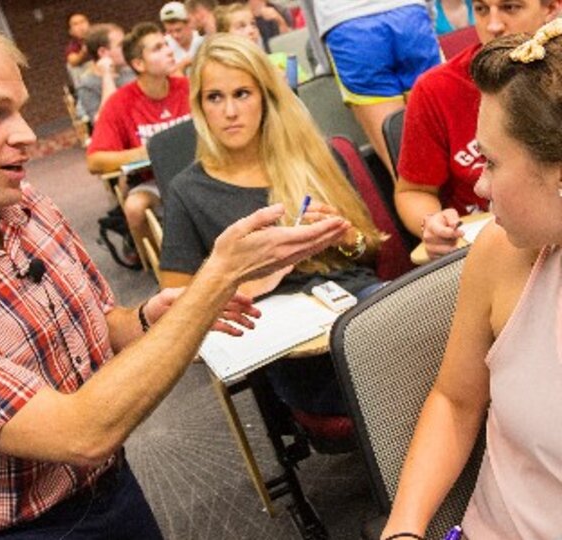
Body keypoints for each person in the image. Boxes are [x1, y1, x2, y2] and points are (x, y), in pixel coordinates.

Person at [0, 13, 356, 539]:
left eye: (19, 111)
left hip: (112, 488)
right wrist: (215, 281)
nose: (24, 135)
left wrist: (149, 318)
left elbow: (100, 327)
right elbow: (81, 433)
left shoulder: (25, 208)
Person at [382, 21, 562, 539]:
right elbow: (456, 400)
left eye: (492, 161)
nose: (478, 185)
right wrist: (404, 530)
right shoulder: (501, 254)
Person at [159, 33, 385, 420]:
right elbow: (175, 309)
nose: (230, 111)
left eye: (242, 94)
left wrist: (345, 236)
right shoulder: (187, 191)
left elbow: (372, 250)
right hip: (288, 341)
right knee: (396, 377)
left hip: (357, 302)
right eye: (215, 97)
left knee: (425, 344)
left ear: (265, 97)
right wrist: (247, 279)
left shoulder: (315, 155)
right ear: (200, 107)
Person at [395, 0, 560, 261]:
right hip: (477, 246)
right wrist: (432, 222)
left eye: (510, 8)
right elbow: (412, 191)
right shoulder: (436, 89)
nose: (493, 25)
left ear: (551, 8)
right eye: (481, 10)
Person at [87, 22, 191, 258]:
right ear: (138, 64)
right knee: (134, 208)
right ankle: (161, 270)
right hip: (154, 181)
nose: (168, 50)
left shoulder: (188, 88)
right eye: (157, 48)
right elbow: (95, 161)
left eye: (166, 44)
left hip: (197, 173)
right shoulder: (120, 103)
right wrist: (152, 151)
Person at [304, 0, 441, 176]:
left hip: (349, 26)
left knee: (406, 171)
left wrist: (324, 62)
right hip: (410, 15)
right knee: (447, 144)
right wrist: (428, 16)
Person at [214, 3, 310, 84]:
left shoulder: (281, 60)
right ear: (225, 36)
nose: (251, 30)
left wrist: (291, 84)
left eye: (253, 24)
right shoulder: (225, 74)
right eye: (241, 27)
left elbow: (309, 90)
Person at [75, 23, 136, 123]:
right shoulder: (87, 85)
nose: (127, 48)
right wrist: (107, 75)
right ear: (103, 52)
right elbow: (102, 122)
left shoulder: (132, 70)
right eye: (121, 45)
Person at [160, 1, 205, 75]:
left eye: (178, 30)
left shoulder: (202, 40)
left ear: (189, 24)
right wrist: (183, 64)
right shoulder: (163, 45)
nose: (175, 35)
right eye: (170, 31)